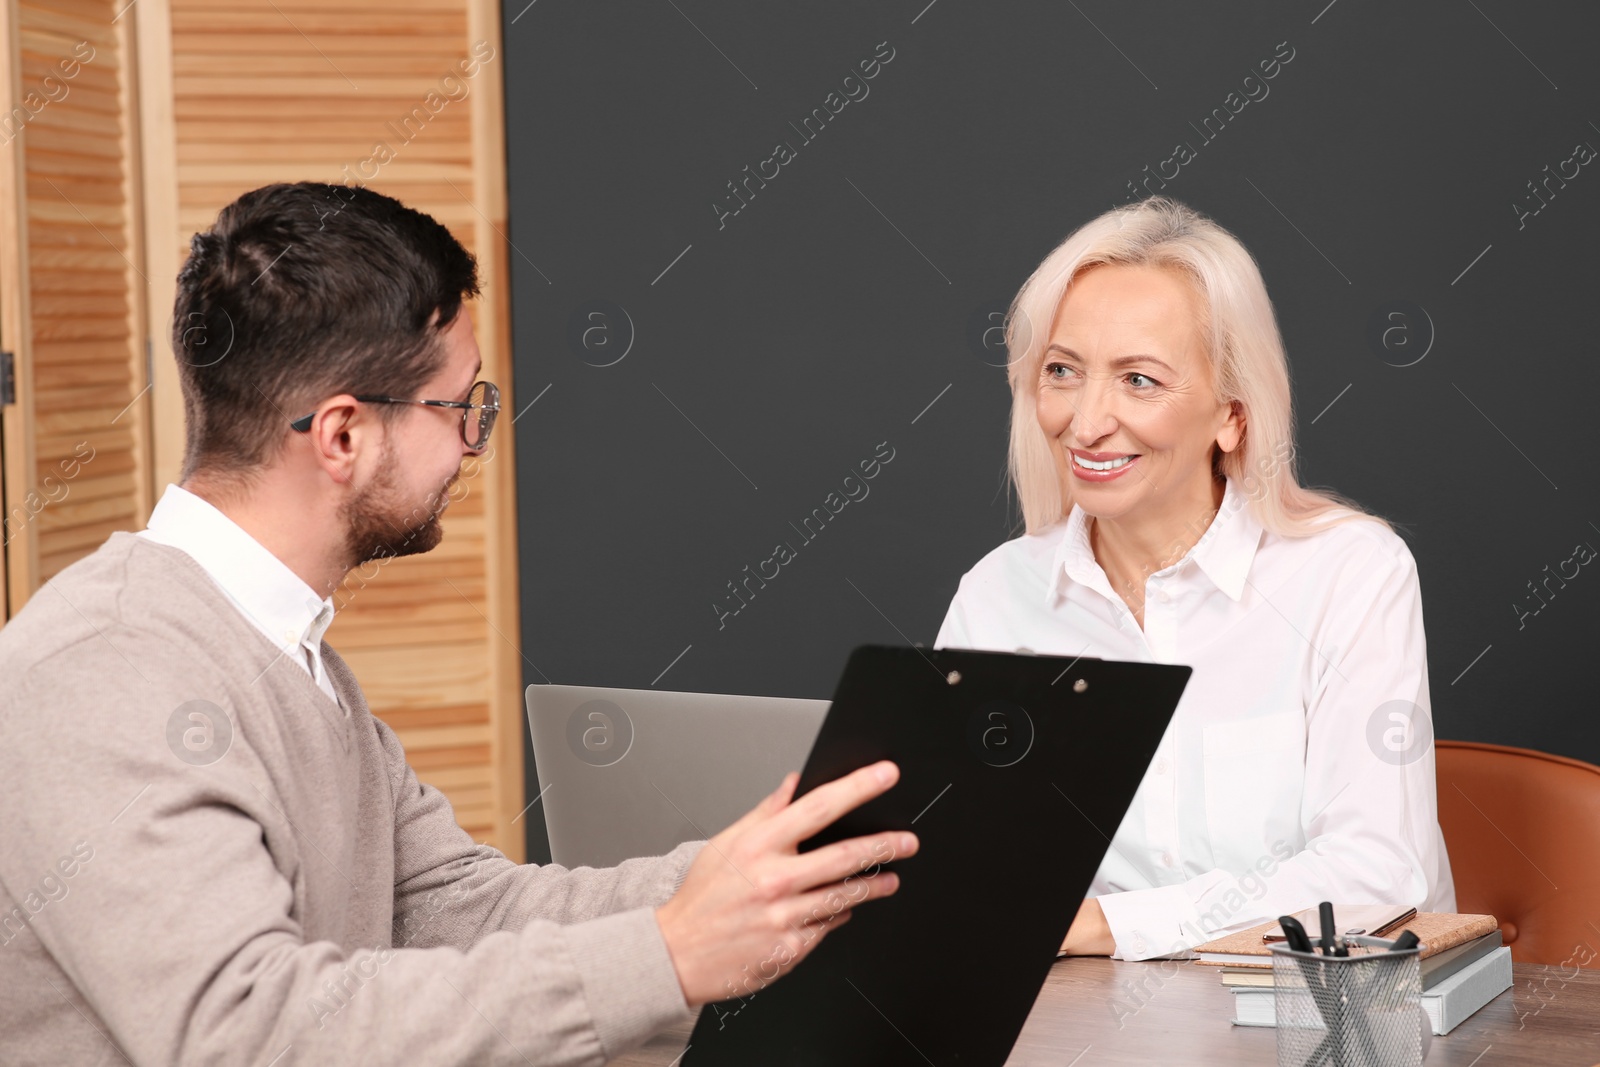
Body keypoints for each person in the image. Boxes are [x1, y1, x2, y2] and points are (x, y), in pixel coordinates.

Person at [0, 182, 915, 1065]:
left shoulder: (291, 657)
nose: (473, 444)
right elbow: (248, 1035)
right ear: (344, 436)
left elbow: (453, 905)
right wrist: (668, 955)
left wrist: (756, 883)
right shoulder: (104, 672)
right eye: (461, 407)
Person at [936, 197, 1454, 961]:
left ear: (1232, 415)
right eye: (1062, 371)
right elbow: (959, 865)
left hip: (1326, 1029)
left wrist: (1106, 925)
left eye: (1138, 380)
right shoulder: (995, 596)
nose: (1085, 423)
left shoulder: (1350, 572)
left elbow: (1377, 873)